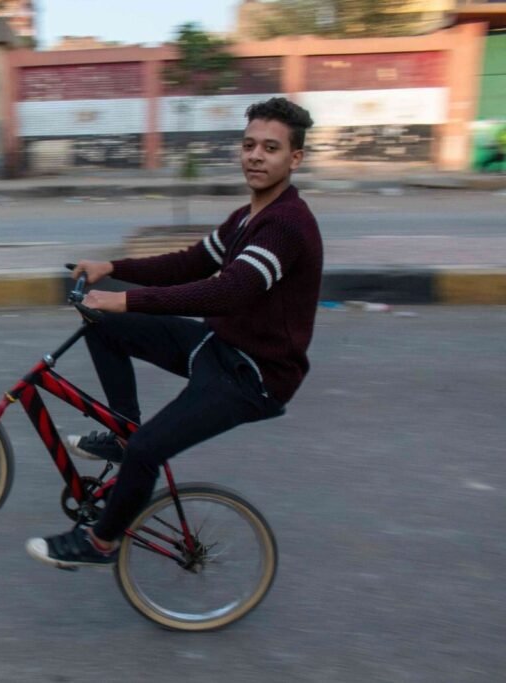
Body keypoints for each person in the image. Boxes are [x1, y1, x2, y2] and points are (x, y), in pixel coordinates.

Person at [26, 97, 322, 569]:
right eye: (249, 145)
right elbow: (190, 262)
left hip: (254, 376)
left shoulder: (286, 226)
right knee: (103, 323)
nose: (255, 156)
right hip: (220, 344)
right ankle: (124, 433)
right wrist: (112, 268)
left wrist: (126, 298)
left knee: (150, 449)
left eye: (270, 147)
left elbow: (229, 292)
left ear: (295, 158)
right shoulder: (248, 216)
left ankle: (100, 543)